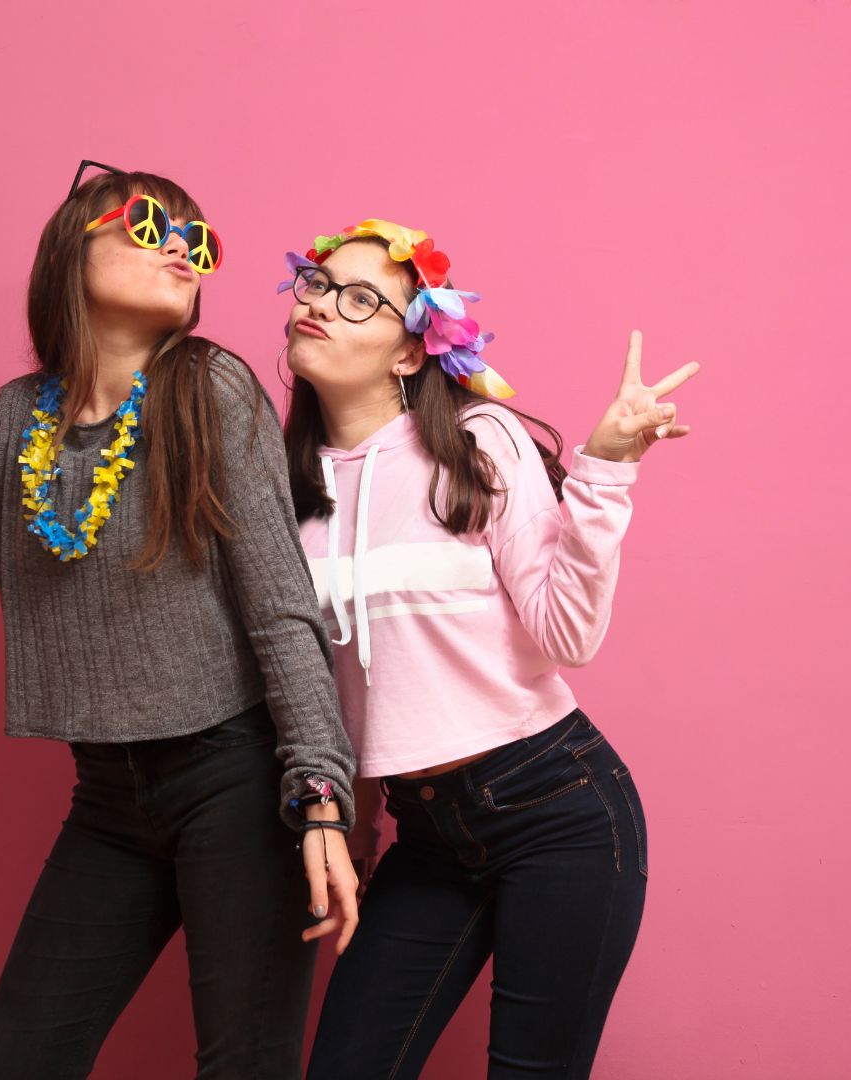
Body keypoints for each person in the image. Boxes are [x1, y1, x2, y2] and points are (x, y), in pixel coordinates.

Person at [0, 161, 359, 1079]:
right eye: (150, 223)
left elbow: (282, 605)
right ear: (68, 250)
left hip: (238, 782)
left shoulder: (211, 389)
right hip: (108, 796)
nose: (182, 247)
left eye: (198, 242)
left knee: (246, 1064)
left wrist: (320, 799)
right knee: (19, 1060)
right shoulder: (17, 419)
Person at [279, 219, 699, 1079]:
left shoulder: (477, 444)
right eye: (315, 285)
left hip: (556, 809)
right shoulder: (286, 487)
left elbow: (567, 636)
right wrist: (350, 833)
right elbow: (323, 681)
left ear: (409, 353)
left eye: (362, 298)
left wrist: (607, 471)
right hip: (427, 833)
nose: (323, 305)